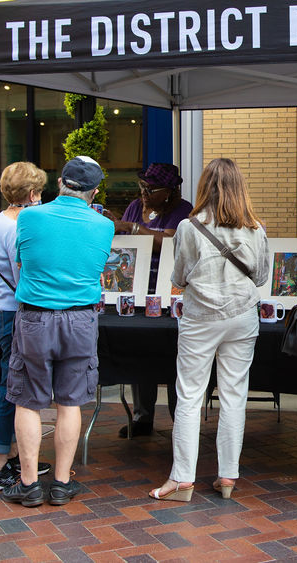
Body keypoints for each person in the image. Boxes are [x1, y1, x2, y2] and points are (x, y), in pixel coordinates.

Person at [147, 158, 270, 502]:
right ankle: (227, 477)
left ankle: (182, 479)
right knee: (234, 395)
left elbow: (178, 278)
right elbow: (260, 277)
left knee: (189, 395)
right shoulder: (255, 228)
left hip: (201, 317)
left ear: (204, 188)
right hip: (242, 315)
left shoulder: (189, 228)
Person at [1, 156, 114, 508]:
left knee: (28, 400)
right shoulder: (103, 225)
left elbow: (22, 261)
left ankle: (29, 483)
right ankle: (63, 483)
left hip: (35, 318)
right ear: (94, 192)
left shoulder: (30, 217)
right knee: (70, 401)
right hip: (81, 319)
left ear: (60, 182)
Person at [0, 162, 53, 492]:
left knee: (13, 382)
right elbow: (24, 280)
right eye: (39, 190)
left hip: (0, 309)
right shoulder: (21, 226)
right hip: (17, 312)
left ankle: (14, 457)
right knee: (14, 386)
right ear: (33, 192)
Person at [105, 162, 192, 438]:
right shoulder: (133, 207)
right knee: (139, 352)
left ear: (169, 191)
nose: (144, 192)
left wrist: (130, 227)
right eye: (142, 185)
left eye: (151, 188)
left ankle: (181, 420)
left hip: (168, 290)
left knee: (174, 355)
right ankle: (143, 416)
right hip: (136, 289)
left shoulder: (183, 211)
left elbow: (171, 240)